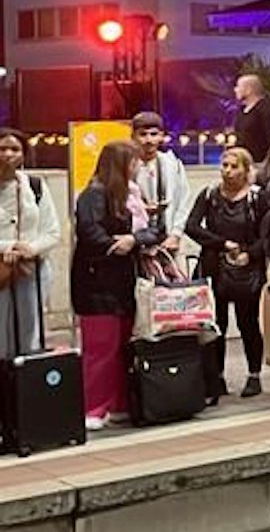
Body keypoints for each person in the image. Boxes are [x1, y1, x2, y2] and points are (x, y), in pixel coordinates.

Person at [73, 139, 149, 428]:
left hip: (125, 281)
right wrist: (115, 245)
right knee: (100, 348)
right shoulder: (93, 195)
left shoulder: (132, 195)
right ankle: (93, 407)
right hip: (97, 283)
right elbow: (89, 231)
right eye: (133, 161)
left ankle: (119, 404)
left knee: (123, 347)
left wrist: (134, 240)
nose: (138, 166)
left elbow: (152, 230)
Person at [186, 146, 267, 397]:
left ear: (246, 169)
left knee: (247, 323)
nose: (228, 171)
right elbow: (191, 226)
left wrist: (249, 253)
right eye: (225, 165)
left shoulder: (257, 198)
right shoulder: (210, 194)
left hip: (246, 269)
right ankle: (215, 376)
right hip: (214, 267)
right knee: (215, 325)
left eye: (235, 166)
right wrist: (222, 244)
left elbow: (268, 235)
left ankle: (254, 375)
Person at [0, 128, 60, 363]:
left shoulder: (35, 186)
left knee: (29, 336)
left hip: (32, 270)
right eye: (2, 149)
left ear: (23, 154)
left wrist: (31, 249)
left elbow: (52, 231)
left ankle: (24, 392)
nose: (7, 155)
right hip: (2, 269)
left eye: (14, 149)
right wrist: (9, 246)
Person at [129, 112, 191, 269]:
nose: (148, 140)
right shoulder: (127, 165)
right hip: (135, 240)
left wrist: (176, 234)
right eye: (142, 134)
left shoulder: (173, 165)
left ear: (162, 136)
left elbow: (183, 202)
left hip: (167, 238)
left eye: (154, 134)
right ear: (133, 136)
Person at [232, 74, 270, 178]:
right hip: (243, 163)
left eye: (238, 86)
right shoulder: (241, 111)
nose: (235, 90)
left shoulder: (265, 109)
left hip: (261, 164)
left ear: (249, 89)